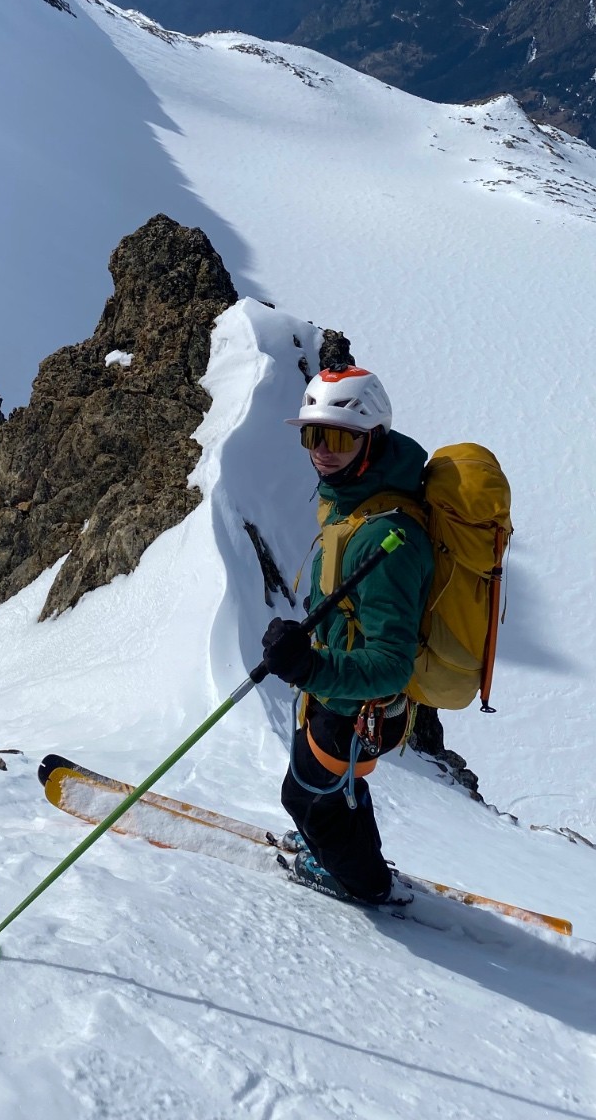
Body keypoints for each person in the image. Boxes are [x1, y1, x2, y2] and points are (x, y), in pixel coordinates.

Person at [260, 365, 434, 905]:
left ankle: (360, 882)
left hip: (355, 706)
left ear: (373, 438)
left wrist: (310, 667)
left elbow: (391, 662)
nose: (321, 451)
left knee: (307, 797)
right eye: (313, 435)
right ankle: (355, 857)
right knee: (337, 793)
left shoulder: (390, 538)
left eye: (337, 437)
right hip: (338, 693)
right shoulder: (357, 500)